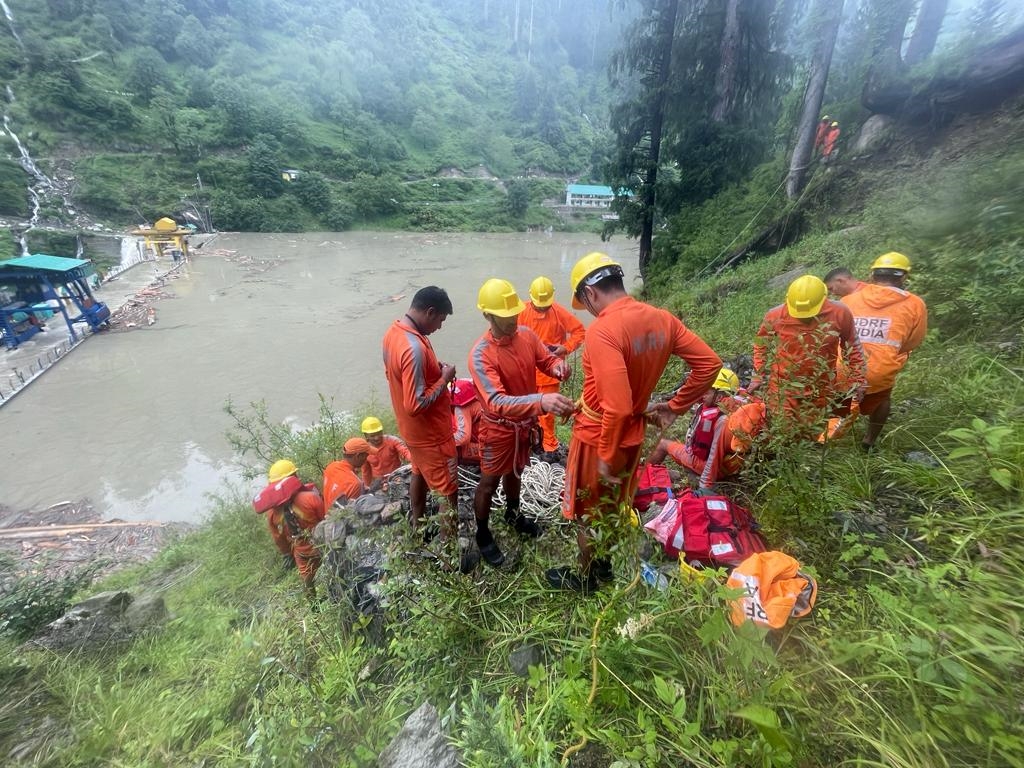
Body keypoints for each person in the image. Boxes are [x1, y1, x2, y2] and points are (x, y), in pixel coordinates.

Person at [547, 252, 723, 593]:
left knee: (586, 512)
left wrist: (605, 456)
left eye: (586, 304)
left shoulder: (603, 330)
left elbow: (616, 405)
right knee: (613, 505)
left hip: (598, 440)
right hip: (633, 436)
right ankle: (605, 567)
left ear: (591, 294)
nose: (590, 311)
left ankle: (586, 579)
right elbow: (709, 363)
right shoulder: (661, 319)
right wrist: (675, 405)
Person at [468, 278, 576, 567]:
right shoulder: (480, 354)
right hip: (498, 428)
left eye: (514, 313)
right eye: (505, 317)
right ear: (487, 316)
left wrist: (558, 367)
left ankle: (513, 514)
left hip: (524, 425)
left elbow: (545, 361)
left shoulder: (526, 335)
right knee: (489, 481)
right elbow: (496, 401)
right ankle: (482, 533)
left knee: (516, 471)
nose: (513, 320)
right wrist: (541, 401)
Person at [830, 251, 928, 450]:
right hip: (881, 370)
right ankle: (869, 442)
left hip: (846, 367)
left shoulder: (849, 300)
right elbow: (913, 341)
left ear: (873, 276)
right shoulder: (915, 304)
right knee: (883, 399)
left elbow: (832, 334)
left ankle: (833, 436)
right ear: (904, 276)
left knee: (842, 398)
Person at [750, 275, 867, 439]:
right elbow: (761, 344)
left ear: (824, 299)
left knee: (811, 431)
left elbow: (852, 346)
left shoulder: (840, 313)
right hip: (783, 387)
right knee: (782, 432)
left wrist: (859, 379)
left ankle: (806, 457)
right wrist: (757, 375)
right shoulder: (775, 315)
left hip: (820, 387)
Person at [382, 286, 459, 532]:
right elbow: (414, 404)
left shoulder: (393, 334)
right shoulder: (413, 348)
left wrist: (434, 370)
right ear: (430, 311)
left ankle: (417, 526)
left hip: (412, 433)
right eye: (440, 320)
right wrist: (444, 379)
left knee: (419, 474)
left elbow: (397, 375)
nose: (439, 326)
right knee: (448, 491)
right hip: (431, 435)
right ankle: (448, 553)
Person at [518, 275, 586, 461]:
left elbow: (580, 331)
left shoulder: (558, 312)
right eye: (539, 304)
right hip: (528, 372)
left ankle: (549, 445)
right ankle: (531, 441)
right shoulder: (521, 312)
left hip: (551, 372)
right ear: (530, 297)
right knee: (527, 409)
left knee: (547, 414)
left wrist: (565, 348)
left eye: (545, 304)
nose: (542, 308)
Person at [647, 368, 742, 479]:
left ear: (719, 396)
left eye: (706, 391)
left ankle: (644, 475)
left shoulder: (720, 421)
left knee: (662, 444)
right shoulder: (736, 410)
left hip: (710, 468)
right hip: (727, 467)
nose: (703, 395)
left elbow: (711, 458)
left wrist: (705, 486)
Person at [251, 459, 326, 598]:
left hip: (301, 551)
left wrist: (287, 553)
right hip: (323, 545)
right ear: (294, 477)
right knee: (334, 567)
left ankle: (314, 607)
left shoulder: (272, 513)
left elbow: (278, 538)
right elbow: (325, 520)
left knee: (307, 578)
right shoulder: (310, 497)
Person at [694, 399, 768, 490]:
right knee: (677, 451)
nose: (703, 396)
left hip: (725, 464)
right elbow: (713, 458)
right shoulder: (724, 418)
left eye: (707, 392)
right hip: (707, 459)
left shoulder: (731, 417)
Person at [323, 437, 377, 508]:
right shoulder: (355, 484)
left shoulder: (331, 466)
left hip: (328, 514)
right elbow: (354, 512)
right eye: (366, 455)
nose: (366, 458)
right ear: (358, 456)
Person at [359, 416, 411, 488]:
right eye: (372, 435)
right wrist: (366, 487)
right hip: (379, 483)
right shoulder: (364, 450)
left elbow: (405, 452)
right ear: (366, 435)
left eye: (379, 433)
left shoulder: (392, 440)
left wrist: (415, 461)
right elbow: (366, 472)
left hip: (398, 476)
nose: (376, 438)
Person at [451, 378, 483, 465]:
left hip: (494, 447)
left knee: (454, 451)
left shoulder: (459, 405)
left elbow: (463, 437)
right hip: (497, 433)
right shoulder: (464, 386)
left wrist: (439, 443)